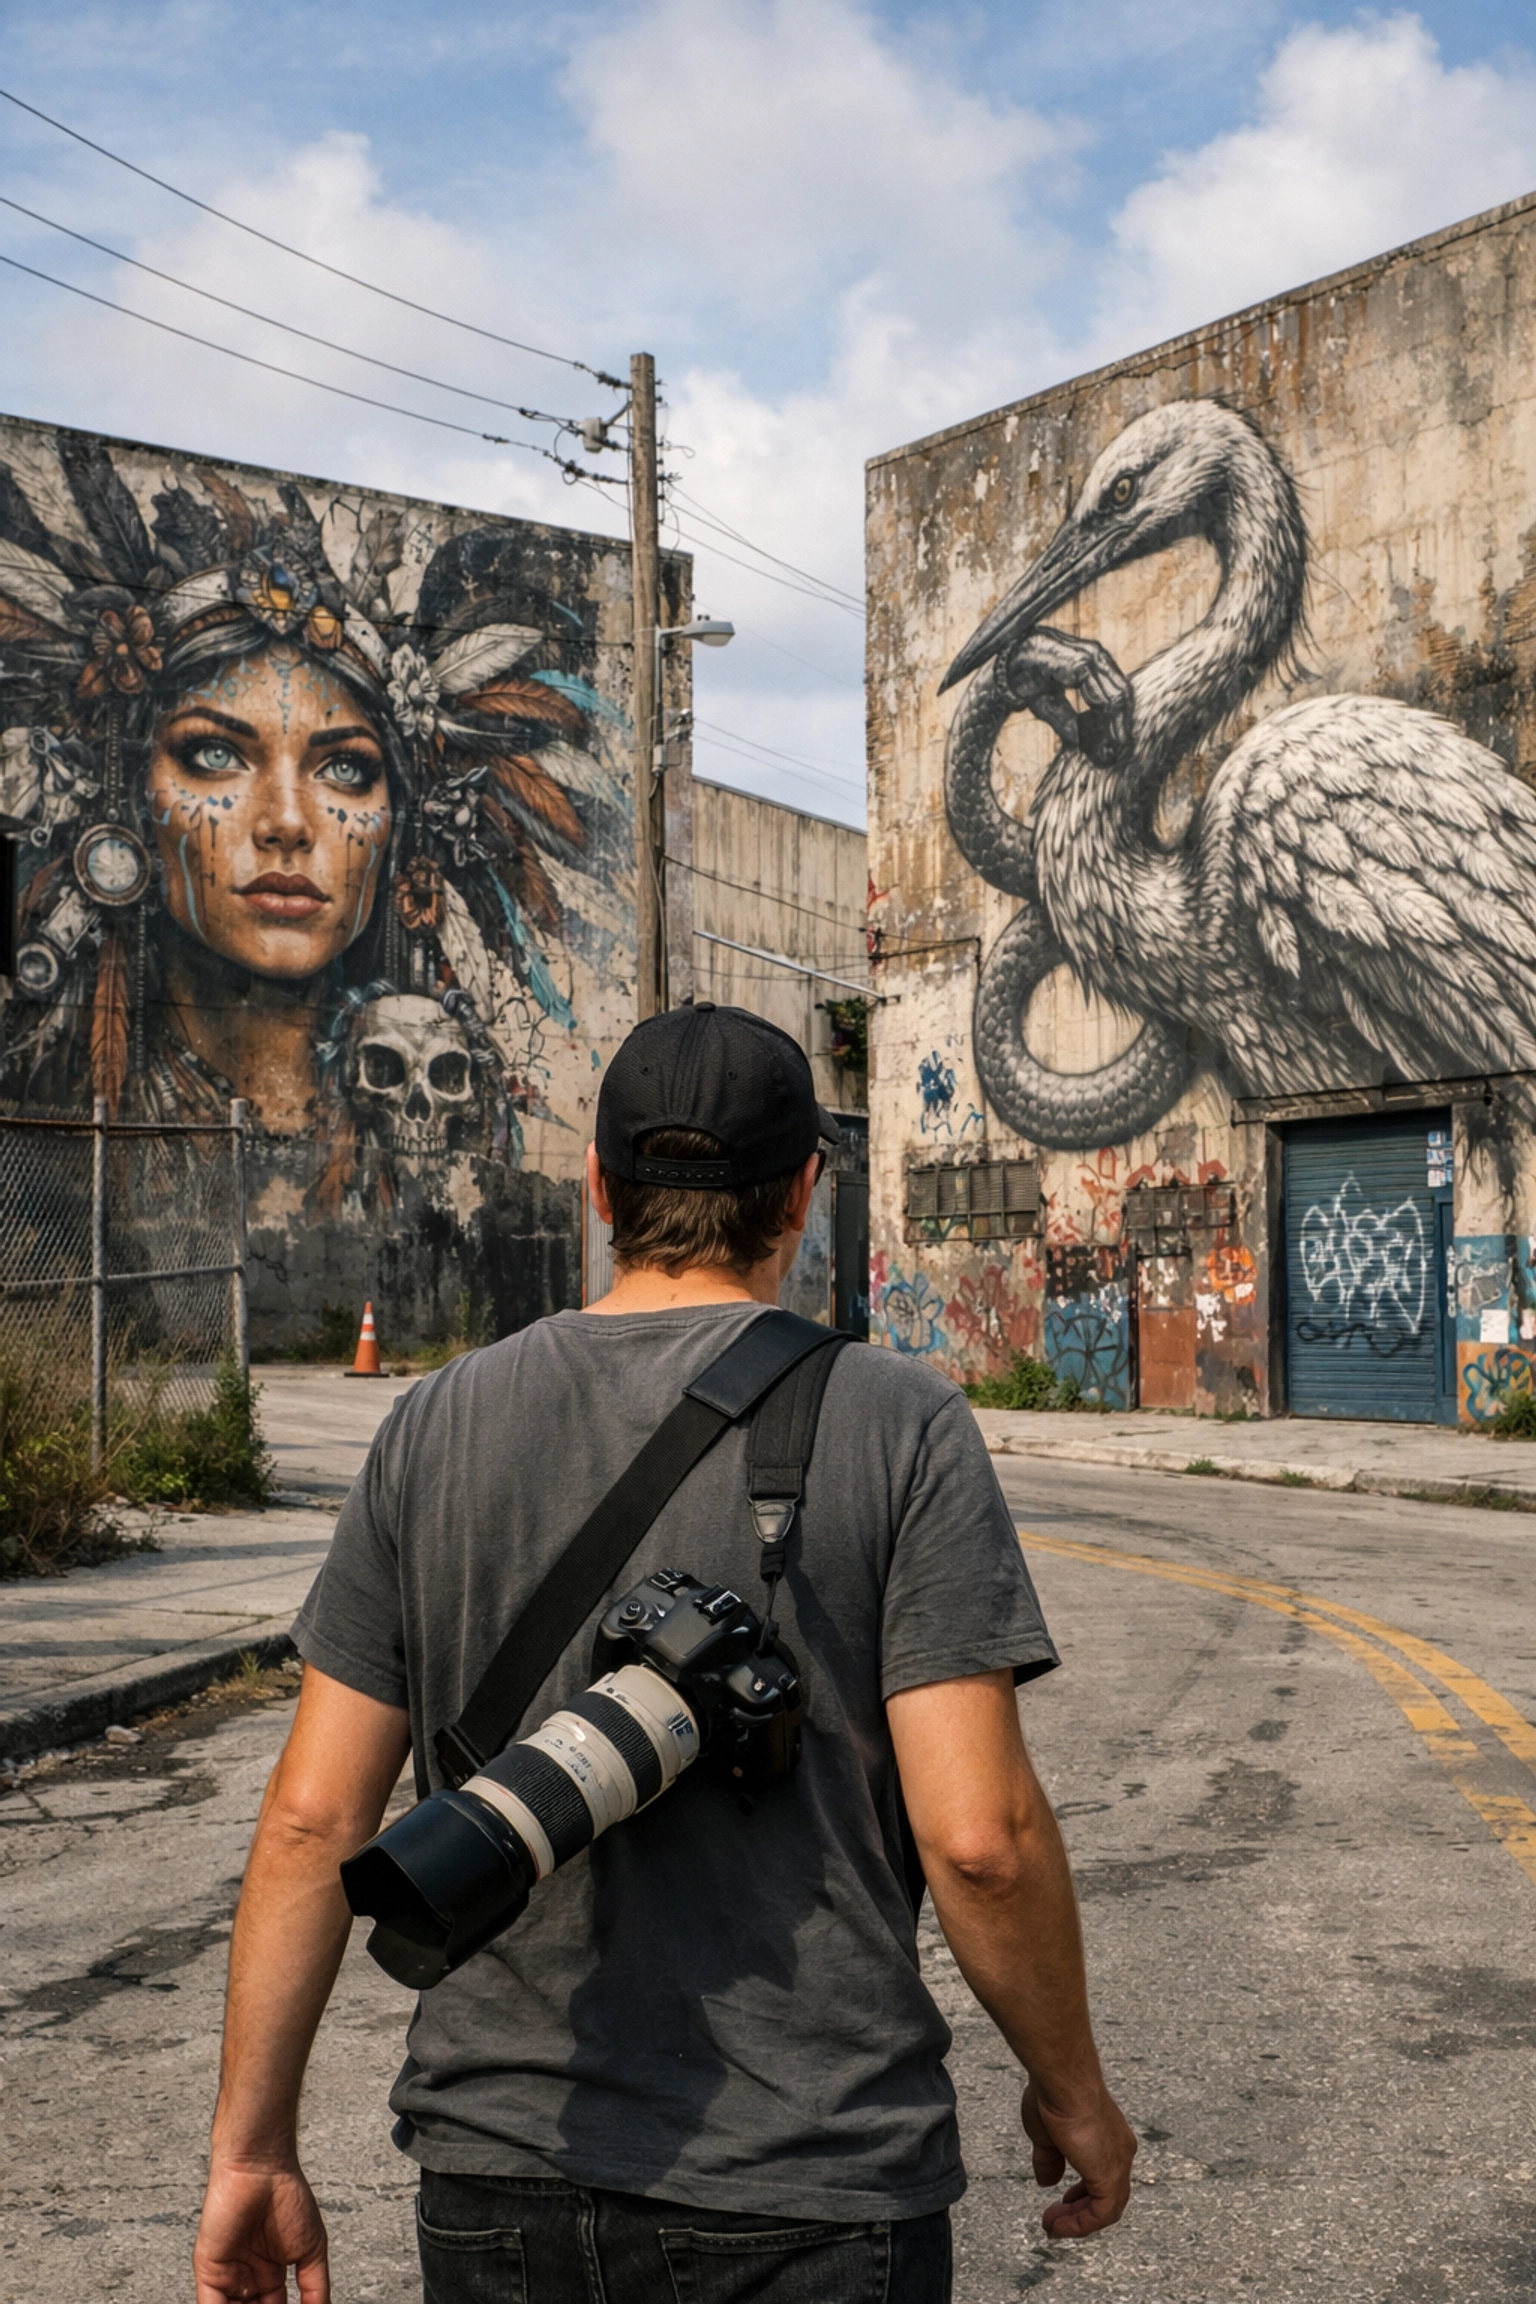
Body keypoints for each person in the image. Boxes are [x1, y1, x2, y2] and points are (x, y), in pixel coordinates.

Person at [193, 1003, 1136, 2304]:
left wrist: (251, 2150)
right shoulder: (901, 1422)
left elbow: (313, 1822)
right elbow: (981, 1840)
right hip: (810, 2183)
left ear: (599, 1185)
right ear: (802, 1192)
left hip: (499, 2175)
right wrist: (1070, 2086)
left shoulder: (433, 1422)